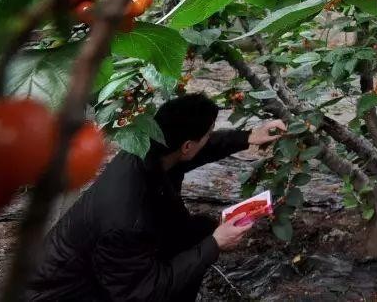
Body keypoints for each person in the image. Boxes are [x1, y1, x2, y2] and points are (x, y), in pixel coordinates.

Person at [27, 93, 285, 302]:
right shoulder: (126, 220)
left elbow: (198, 150)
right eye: (207, 134)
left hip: (99, 265)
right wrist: (216, 244)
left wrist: (248, 137)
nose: (209, 139)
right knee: (204, 241)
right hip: (66, 292)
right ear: (186, 145)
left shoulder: (148, 148)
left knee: (198, 232)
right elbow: (139, 293)